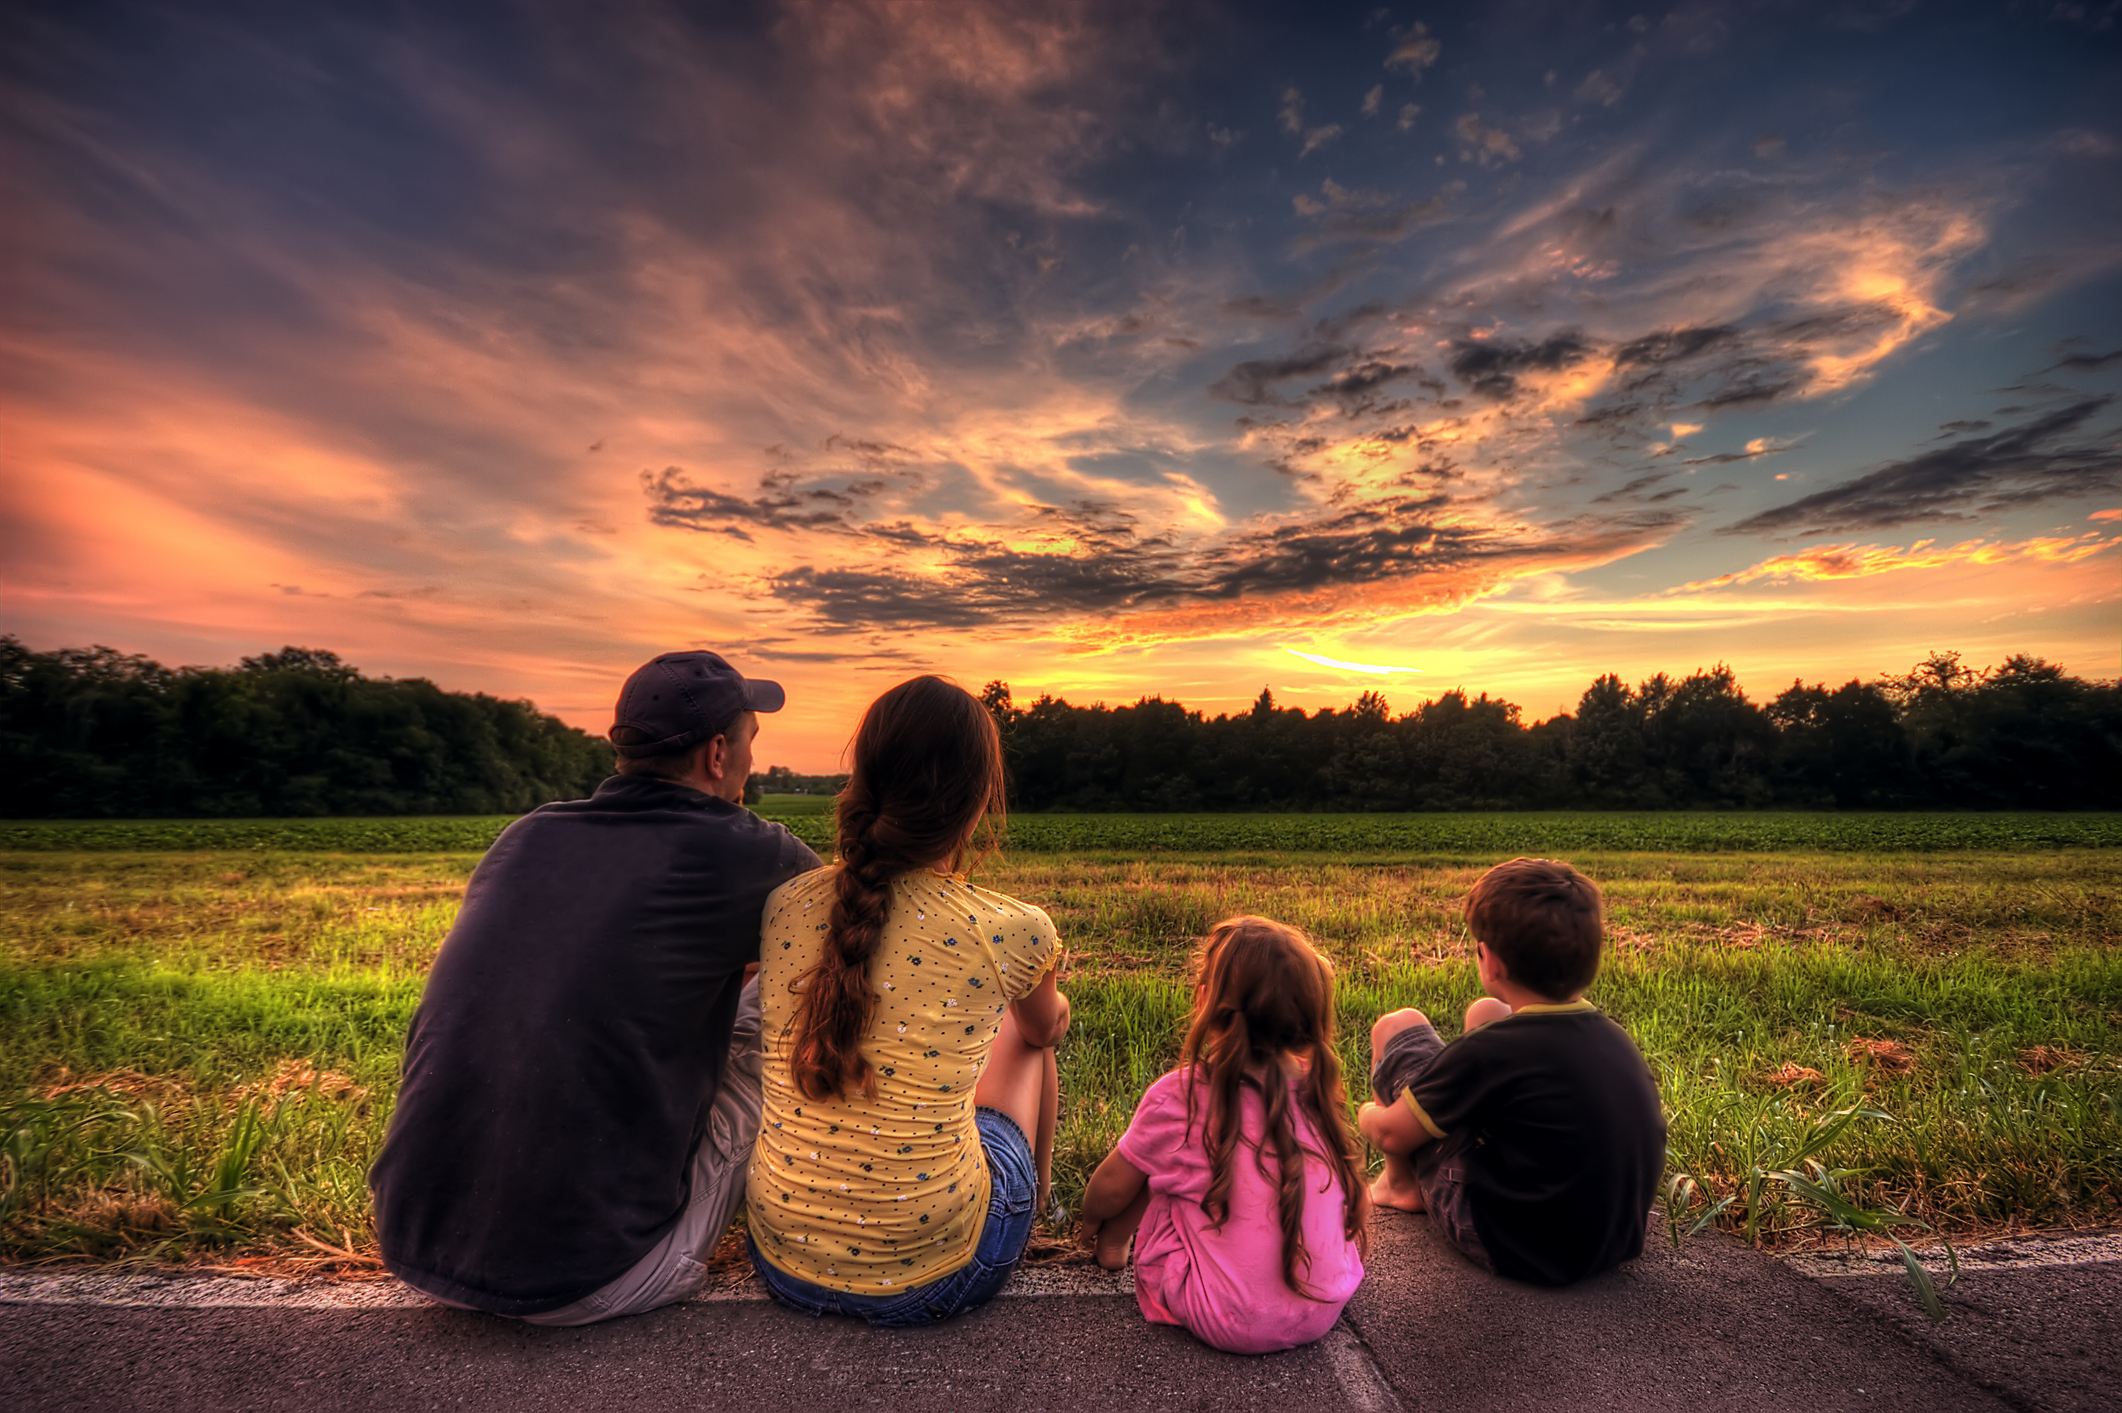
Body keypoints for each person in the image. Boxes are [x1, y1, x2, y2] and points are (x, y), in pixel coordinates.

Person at [369, 650, 819, 1324]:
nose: (753, 763)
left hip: (413, 1238)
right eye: (753, 742)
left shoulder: (527, 836)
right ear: (720, 753)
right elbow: (855, 941)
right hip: (589, 1273)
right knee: (783, 1006)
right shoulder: (752, 851)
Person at [744, 675, 1069, 1325]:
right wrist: (1046, 992)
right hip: (936, 1273)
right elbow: (1046, 1031)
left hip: (781, 1257)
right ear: (978, 801)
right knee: (1026, 1041)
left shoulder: (785, 906)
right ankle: (1038, 1208)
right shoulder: (1013, 928)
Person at [1359, 857, 1666, 1287]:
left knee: (1398, 1026)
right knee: (1487, 1012)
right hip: (1612, 1239)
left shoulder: (1495, 1051)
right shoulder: (1611, 1036)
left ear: (1491, 961)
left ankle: (1400, 1186)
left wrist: (1366, 1114)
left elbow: (1391, 1133)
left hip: (1516, 1243)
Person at [1074, 916, 1368, 1355]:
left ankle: (1113, 1247)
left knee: (1157, 1166)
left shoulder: (1182, 1095)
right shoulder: (1315, 1088)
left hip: (1229, 1318)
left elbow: (1111, 1187)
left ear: (1209, 1002)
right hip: (1323, 1310)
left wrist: (1089, 1222)